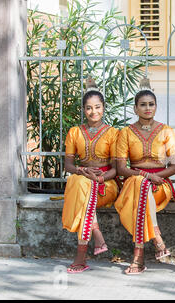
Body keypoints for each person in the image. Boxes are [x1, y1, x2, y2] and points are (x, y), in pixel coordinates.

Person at [114, 77, 175, 275]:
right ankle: (156, 239)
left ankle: (139, 258)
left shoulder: (166, 131)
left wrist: (155, 177)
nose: (147, 108)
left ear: (156, 106)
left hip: (160, 185)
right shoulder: (125, 133)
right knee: (139, 185)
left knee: (140, 191)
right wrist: (145, 176)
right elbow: (121, 168)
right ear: (135, 109)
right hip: (135, 182)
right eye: (143, 105)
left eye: (151, 104)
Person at [62, 78, 119, 273]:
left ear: (103, 107)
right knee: (78, 182)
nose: (93, 112)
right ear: (83, 110)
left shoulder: (113, 133)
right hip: (83, 180)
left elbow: (117, 169)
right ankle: (94, 237)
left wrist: (100, 178)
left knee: (81, 190)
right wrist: (82, 171)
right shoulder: (74, 132)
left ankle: (82, 255)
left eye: (97, 107)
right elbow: (68, 165)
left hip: (106, 184)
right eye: (89, 108)